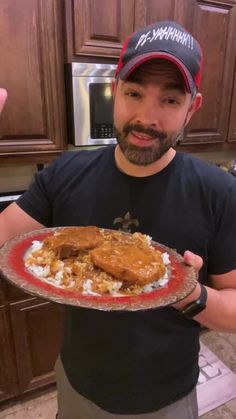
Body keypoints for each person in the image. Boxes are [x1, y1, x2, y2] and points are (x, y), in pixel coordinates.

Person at [1, 20, 236, 419]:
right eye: (134, 93)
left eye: (170, 100)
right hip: (78, 385)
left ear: (193, 107)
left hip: (167, 399)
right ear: (114, 90)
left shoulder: (220, 192)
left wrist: (189, 295)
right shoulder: (64, 174)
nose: (147, 118)